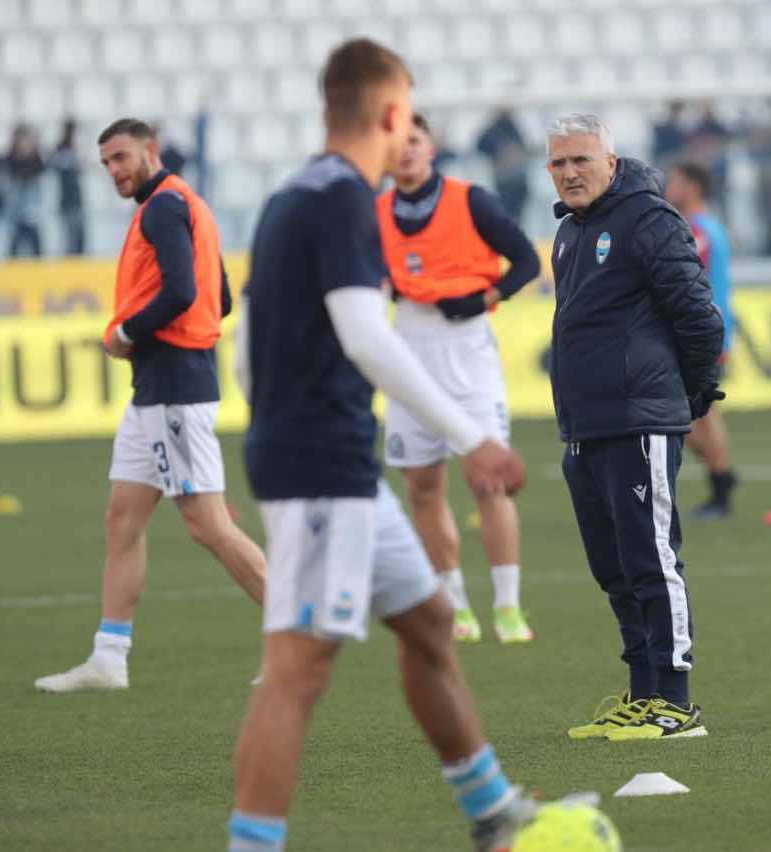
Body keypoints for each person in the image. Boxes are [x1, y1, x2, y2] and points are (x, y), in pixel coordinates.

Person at [228, 39, 542, 852]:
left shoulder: (294, 193)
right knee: (296, 672)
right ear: (395, 112)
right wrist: (472, 439)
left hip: (331, 461)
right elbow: (367, 334)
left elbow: (246, 346)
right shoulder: (344, 199)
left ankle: (493, 811)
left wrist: (278, 421)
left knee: (431, 622)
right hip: (321, 466)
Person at [34, 118, 266, 694]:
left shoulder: (162, 208)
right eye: (106, 163)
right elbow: (220, 297)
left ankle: (303, 636)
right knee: (123, 519)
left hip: (175, 387)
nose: (114, 170)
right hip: (158, 390)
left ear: (150, 150)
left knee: (208, 526)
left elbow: (184, 291)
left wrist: (126, 333)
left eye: (121, 157)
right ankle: (109, 657)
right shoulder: (187, 203)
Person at [548, 113, 724, 742]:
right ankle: (642, 693)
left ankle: (676, 704)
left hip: (637, 419)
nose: (569, 173)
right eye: (559, 162)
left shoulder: (649, 220)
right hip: (586, 425)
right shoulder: (568, 232)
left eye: (581, 160)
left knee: (652, 559)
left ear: (611, 162)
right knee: (613, 567)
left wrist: (691, 392)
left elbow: (699, 316)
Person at [377, 112, 541, 644]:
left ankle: (508, 606)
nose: (406, 151)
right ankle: (456, 605)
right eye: (397, 143)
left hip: (466, 352)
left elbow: (527, 261)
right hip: (408, 351)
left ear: (431, 147)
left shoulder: (471, 201)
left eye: (415, 141)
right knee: (422, 487)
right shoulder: (374, 213)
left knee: (488, 480)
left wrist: (485, 297)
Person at [664, 160, 738, 521]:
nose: (669, 187)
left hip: (702, 333)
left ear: (692, 186)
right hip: (708, 331)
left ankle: (722, 482)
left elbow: (687, 283)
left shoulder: (697, 231)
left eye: (675, 181)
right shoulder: (707, 227)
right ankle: (721, 477)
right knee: (697, 415)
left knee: (695, 416)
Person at [475, 108, 529, 223]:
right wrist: (499, 152)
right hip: (504, 178)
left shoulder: (514, 129)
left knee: (517, 212)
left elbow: (523, 148)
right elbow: (480, 146)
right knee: (507, 210)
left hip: (517, 178)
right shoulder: (493, 132)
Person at [3, 124, 46, 258]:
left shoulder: (37, 160)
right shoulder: (9, 160)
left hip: (32, 211)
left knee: (35, 245)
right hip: (14, 211)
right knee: (14, 245)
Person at [52, 118, 86, 256]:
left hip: (76, 198)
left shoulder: (74, 151)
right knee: (69, 235)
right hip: (67, 199)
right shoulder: (62, 151)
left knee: (79, 234)